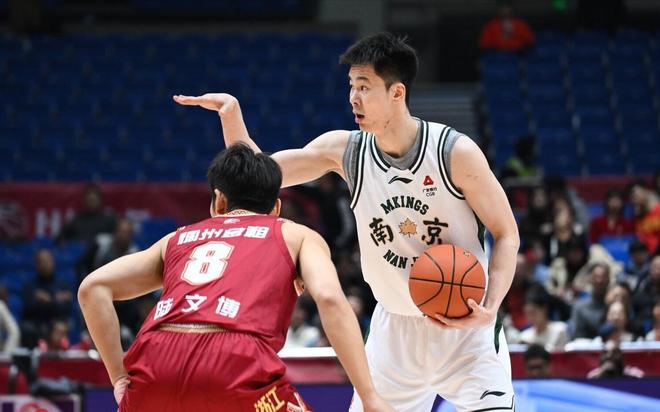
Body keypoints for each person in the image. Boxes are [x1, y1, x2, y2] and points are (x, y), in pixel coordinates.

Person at [176, 32, 518, 411]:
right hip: (393, 334)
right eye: (351, 85)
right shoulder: (346, 150)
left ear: (397, 93)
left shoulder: (454, 152)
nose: (353, 97)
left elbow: (506, 233)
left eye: (364, 86)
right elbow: (259, 175)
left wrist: (490, 305)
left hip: (464, 330)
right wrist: (232, 118)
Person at [78, 144, 393, 412]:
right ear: (276, 207)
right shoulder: (295, 234)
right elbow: (329, 299)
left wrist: (119, 377)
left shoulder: (177, 238)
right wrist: (369, 396)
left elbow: (93, 288)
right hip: (233, 360)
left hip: (154, 361)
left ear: (219, 201)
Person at [21, 249, 73, 348]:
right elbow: (28, 310)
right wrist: (55, 300)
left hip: (57, 323)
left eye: (48, 261)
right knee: (27, 328)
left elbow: (66, 310)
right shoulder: (30, 286)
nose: (45, 264)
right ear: (36, 265)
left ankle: (59, 354)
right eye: (41, 262)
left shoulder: (63, 285)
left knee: (61, 326)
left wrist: (48, 300)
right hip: (37, 325)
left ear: (53, 262)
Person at [569, 263, 610, 339]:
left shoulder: (613, 305)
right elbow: (576, 334)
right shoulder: (580, 306)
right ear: (590, 279)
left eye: (603, 277)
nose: (599, 280)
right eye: (596, 276)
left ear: (608, 279)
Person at [630, 180, 660, 254]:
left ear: (646, 191)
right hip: (644, 256)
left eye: (635, 194)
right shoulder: (636, 217)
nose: (633, 198)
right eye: (631, 196)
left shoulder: (658, 211)